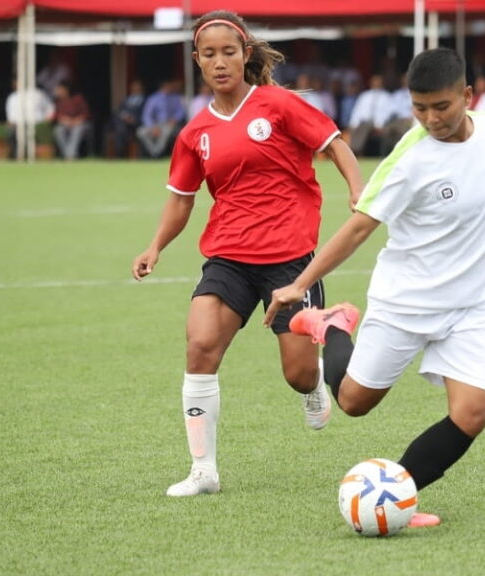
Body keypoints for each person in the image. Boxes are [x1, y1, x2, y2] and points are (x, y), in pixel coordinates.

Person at [265, 47, 485, 528]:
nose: (431, 119)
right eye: (419, 108)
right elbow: (357, 228)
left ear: (467, 96)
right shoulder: (407, 160)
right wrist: (300, 285)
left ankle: (397, 497)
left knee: (472, 414)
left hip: (472, 307)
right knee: (352, 402)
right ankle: (332, 326)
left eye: (442, 107)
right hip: (403, 303)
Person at [130, 10, 364, 498]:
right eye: (209, 54)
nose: (220, 62)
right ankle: (203, 470)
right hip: (228, 256)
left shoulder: (278, 105)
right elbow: (181, 198)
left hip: (291, 258)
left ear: (246, 56)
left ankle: (314, 382)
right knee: (199, 345)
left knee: (297, 375)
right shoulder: (195, 133)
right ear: (197, 60)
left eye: (229, 52)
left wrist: (357, 190)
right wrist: (155, 246)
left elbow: (335, 143)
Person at [136, 79, 187, 158]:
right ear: (164, 86)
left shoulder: (175, 98)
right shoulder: (153, 98)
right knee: (141, 132)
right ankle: (155, 152)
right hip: (155, 125)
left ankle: (156, 154)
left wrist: (175, 119)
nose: (171, 88)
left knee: (166, 131)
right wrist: (153, 127)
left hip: (169, 124)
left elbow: (181, 112)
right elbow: (147, 115)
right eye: (169, 86)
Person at [51, 82, 92, 160]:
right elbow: (55, 115)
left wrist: (77, 120)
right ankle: (69, 154)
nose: (57, 91)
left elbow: (87, 114)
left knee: (77, 130)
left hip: (79, 123)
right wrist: (64, 120)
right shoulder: (57, 101)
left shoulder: (78, 98)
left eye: (59, 89)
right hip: (65, 124)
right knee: (58, 131)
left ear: (66, 90)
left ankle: (70, 155)